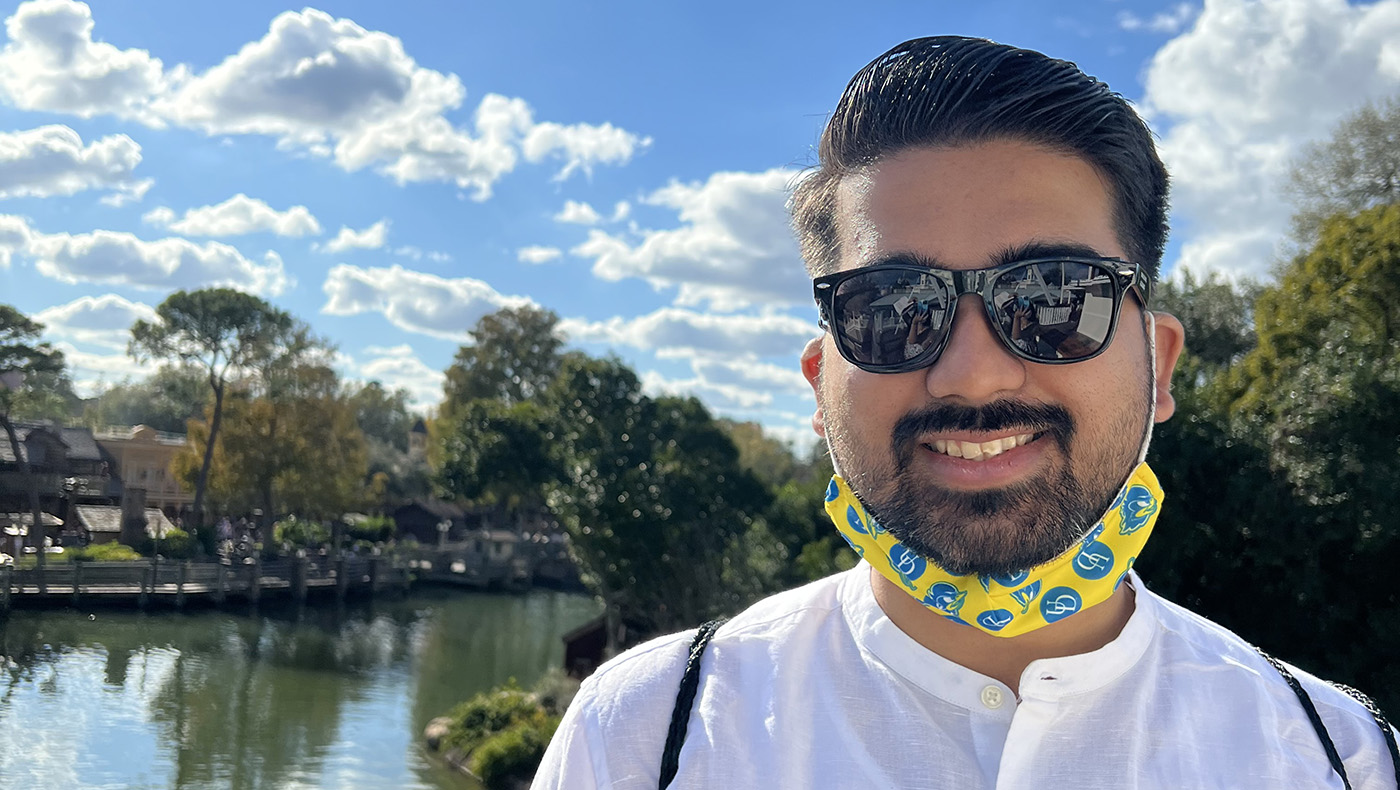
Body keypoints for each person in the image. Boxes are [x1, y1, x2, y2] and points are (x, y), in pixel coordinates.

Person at [532, 36, 1399, 789]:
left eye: (1057, 298)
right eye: (890, 308)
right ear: (820, 385)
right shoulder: (644, 739)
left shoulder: (1340, 759)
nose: (972, 376)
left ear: (1159, 363)